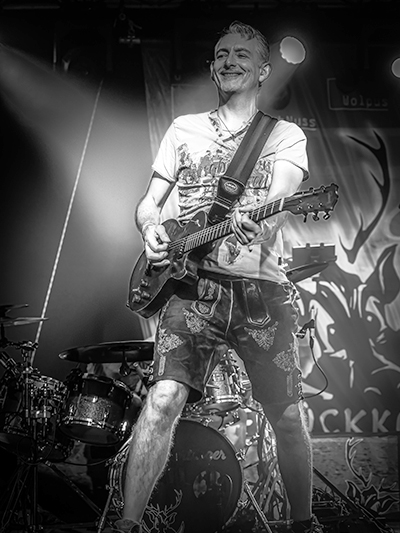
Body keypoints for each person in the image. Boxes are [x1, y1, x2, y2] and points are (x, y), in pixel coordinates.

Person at [115, 20, 322, 533]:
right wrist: (150, 229)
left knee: (287, 417)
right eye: (222, 54)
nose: (229, 61)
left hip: (259, 291)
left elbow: (281, 200)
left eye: (242, 55)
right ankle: (126, 525)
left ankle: (304, 523)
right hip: (190, 287)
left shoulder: (284, 135)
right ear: (212, 67)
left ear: (264, 71)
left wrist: (261, 223)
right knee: (162, 400)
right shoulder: (183, 129)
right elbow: (150, 202)